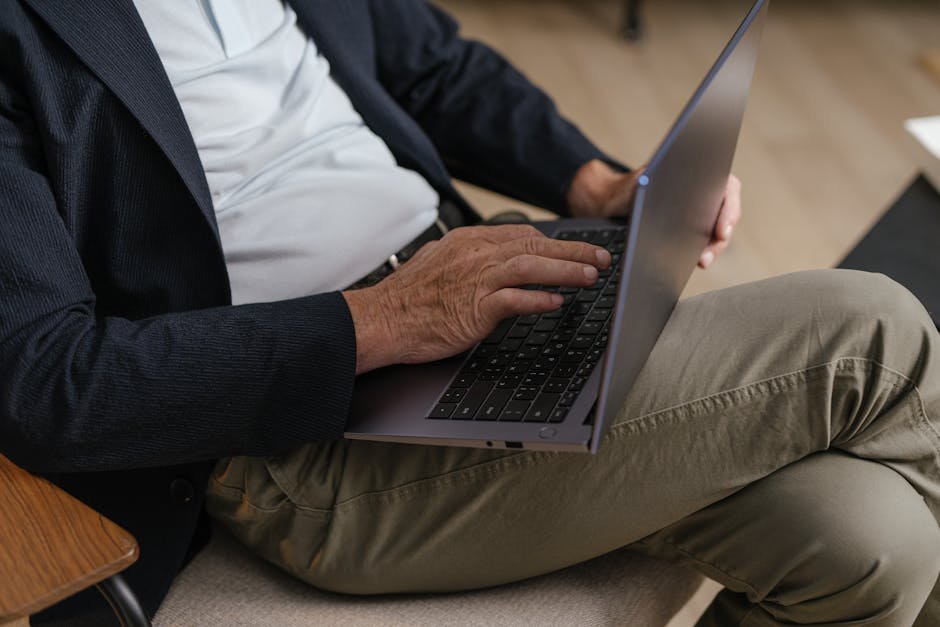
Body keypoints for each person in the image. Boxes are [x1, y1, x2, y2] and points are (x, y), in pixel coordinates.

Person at [0, 1, 937, 625]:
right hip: (303, 434)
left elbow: (432, 68)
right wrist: (382, 320)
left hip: (475, 289)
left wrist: (596, 181)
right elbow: (46, 378)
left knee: (865, 541)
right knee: (864, 328)